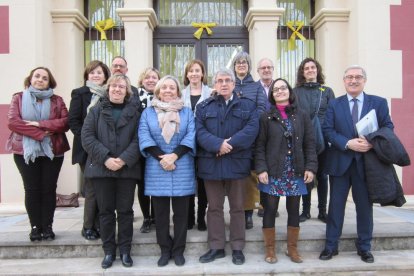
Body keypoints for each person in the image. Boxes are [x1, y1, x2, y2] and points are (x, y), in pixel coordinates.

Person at [319, 65, 394, 263]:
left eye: (358, 77)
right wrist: (347, 142)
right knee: (335, 207)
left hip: (366, 163)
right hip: (340, 162)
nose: (353, 80)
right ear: (344, 81)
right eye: (349, 77)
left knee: (364, 207)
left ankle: (364, 247)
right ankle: (330, 246)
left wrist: (371, 142)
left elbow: (388, 127)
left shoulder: (378, 103)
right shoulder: (335, 104)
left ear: (364, 80)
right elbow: (327, 130)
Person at [196, 68, 259, 265]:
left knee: (238, 208)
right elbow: (199, 131)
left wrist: (228, 144)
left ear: (233, 84)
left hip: (237, 164)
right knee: (214, 208)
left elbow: (251, 130)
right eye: (220, 80)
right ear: (214, 84)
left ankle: (238, 248)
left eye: (227, 80)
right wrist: (217, 145)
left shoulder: (247, 106)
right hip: (211, 164)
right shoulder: (204, 107)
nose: (224, 84)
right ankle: (216, 247)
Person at [81, 74, 141, 269]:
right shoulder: (96, 111)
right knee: (105, 212)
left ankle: (125, 251)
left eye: (121, 87)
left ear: (127, 91)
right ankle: (108, 251)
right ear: (108, 89)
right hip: (101, 169)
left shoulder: (135, 113)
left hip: (126, 170)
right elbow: (87, 137)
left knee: (125, 212)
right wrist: (106, 158)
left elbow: (139, 139)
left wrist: (123, 159)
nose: (117, 89)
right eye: (114, 86)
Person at [255, 78, 317, 264]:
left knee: (293, 209)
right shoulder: (266, 117)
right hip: (273, 171)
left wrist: (311, 167)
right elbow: (260, 146)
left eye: (283, 88)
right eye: (276, 89)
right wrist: (261, 169)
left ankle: (292, 250)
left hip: (296, 170)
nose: (280, 91)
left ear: (289, 91)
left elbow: (310, 144)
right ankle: (270, 250)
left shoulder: (302, 115)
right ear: (272, 95)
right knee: (270, 209)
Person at [7, 67, 70, 241]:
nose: (40, 80)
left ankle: (48, 227)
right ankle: (35, 227)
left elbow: (65, 122)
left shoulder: (57, 100)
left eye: (44, 78)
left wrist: (38, 123)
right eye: (37, 76)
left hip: (52, 152)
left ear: (50, 82)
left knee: (49, 190)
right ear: (30, 79)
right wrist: (41, 133)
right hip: (24, 152)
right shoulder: (18, 98)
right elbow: (13, 122)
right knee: (32, 189)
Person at [139, 75, 196, 267]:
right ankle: (164, 249)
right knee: (161, 215)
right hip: (157, 167)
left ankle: (178, 250)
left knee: (181, 214)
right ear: (158, 91)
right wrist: (162, 158)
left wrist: (174, 156)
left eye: (172, 87)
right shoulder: (148, 113)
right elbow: (144, 136)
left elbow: (191, 135)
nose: (168, 91)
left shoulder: (187, 112)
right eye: (164, 88)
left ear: (178, 92)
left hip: (182, 166)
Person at [68, 60, 110, 241]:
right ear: (87, 75)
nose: (96, 75)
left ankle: (100, 224)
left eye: (99, 72)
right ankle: (88, 226)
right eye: (92, 72)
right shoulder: (79, 94)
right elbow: (74, 122)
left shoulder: (109, 94)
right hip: (86, 150)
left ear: (105, 75)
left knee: (104, 189)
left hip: (106, 149)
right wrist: (89, 139)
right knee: (92, 188)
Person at [294, 57, 335, 223]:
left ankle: (322, 210)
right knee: (306, 174)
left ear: (317, 70)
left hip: (324, 139)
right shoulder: (296, 92)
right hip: (304, 139)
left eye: (313, 67)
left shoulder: (327, 91)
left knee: (323, 175)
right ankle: (305, 210)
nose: (310, 70)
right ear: (302, 73)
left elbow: (334, 115)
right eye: (306, 68)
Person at [232, 51, 266, 230]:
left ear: (249, 66)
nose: (241, 65)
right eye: (238, 63)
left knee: (250, 177)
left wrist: (249, 125)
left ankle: (248, 214)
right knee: (236, 177)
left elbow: (261, 108)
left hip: (252, 137)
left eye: (244, 62)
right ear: (234, 66)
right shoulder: (230, 84)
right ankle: (236, 211)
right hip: (232, 136)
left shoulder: (257, 87)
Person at [181, 59, 211, 231]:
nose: (194, 73)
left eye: (197, 70)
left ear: (202, 74)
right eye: (191, 70)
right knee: (188, 181)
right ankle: (189, 216)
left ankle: (201, 216)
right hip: (186, 144)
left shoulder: (211, 93)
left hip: (204, 144)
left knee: (202, 182)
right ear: (187, 74)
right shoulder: (181, 94)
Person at [136, 67, 161, 233]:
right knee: (142, 184)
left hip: (159, 147)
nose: (151, 80)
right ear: (142, 80)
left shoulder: (164, 96)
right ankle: (146, 217)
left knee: (157, 183)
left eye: (154, 77)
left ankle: (157, 217)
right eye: (148, 77)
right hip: (140, 147)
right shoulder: (133, 97)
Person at [256, 57, 279, 218]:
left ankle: (272, 205)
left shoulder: (280, 87)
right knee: (260, 168)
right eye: (263, 68)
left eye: (269, 67)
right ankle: (261, 204)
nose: (266, 70)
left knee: (274, 168)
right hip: (258, 132)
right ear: (258, 71)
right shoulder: (254, 87)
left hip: (277, 132)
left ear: (273, 69)